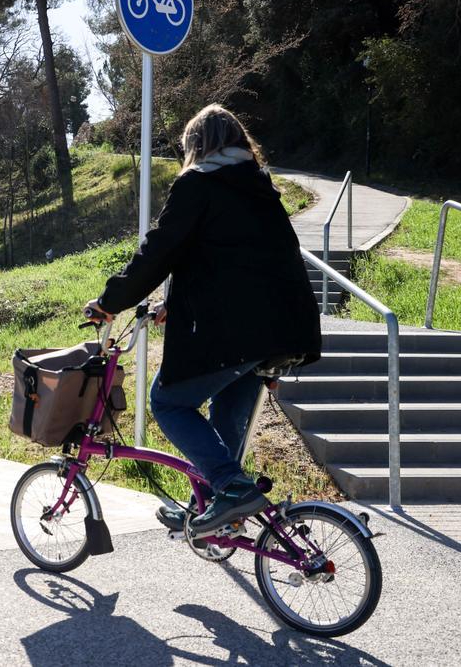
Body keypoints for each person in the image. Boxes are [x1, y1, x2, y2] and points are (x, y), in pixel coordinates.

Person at [84, 104, 321, 535]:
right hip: (285, 327)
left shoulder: (199, 183)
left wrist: (110, 301)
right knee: (227, 410)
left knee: (168, 402)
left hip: (237, 330)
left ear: (197, 146)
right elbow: (226, 257)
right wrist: (173, 304)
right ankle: (214, 507)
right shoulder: (258, 185)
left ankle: (230, 488)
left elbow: (160, 250)